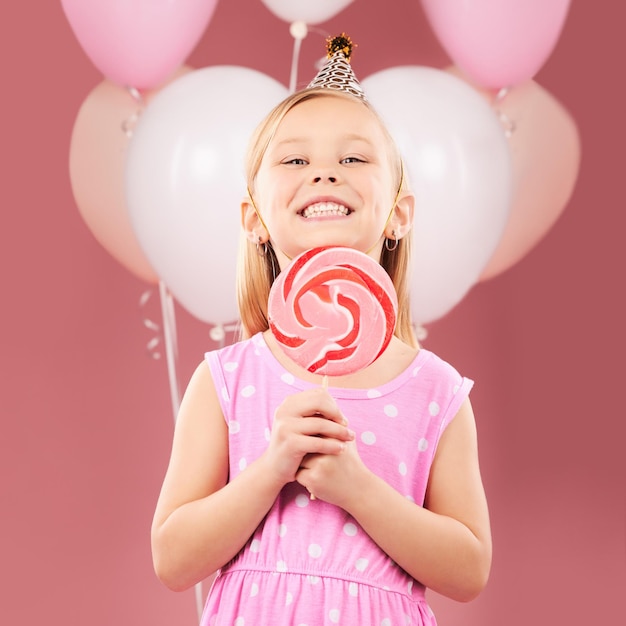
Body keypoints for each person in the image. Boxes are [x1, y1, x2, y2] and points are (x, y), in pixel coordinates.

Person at [151, 34, 492, 625]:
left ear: (399, 215)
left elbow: (469, 570)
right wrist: (272, 467)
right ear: (254, 219)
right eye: (295, 160)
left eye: (354, 159)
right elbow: (173, 560)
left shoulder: (435, 393)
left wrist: (358, 489)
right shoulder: (229, 381)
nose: (326, 175)